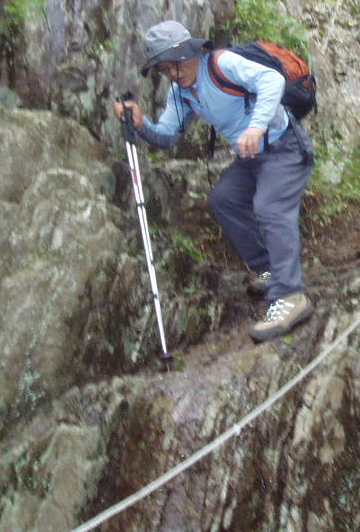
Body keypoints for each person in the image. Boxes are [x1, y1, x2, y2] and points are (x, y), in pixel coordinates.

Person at [113, 20, 315, 343]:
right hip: (251, 159)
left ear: (191, 52)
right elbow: (166, 136)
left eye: (176, 64)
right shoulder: (182, 94)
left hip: (284, 145)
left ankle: (291, 296)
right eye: (166, 70)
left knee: (269, 205)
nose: (175, 74)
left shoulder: (222, 64)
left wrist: (256, 127)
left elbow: (272, 80)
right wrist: (141, 124)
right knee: (223, 200)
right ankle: (271, 270)